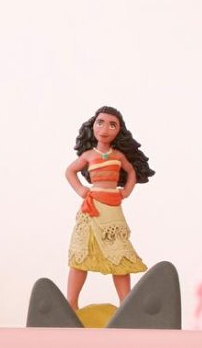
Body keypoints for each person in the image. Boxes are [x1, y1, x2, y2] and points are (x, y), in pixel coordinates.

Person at [64, 105, 154, 309]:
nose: (105, 129)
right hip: (92, 209)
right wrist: (81, 190)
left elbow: (131, 172)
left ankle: (125, 304)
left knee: (119, 256)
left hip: (112, 209)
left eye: (112, 125)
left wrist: (126, 191)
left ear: (119, 130)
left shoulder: (118, 156)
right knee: (81, 255)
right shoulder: (88, 155)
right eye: (100, 123)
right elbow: (70, 171)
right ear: (93, 126)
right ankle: (71, 303)